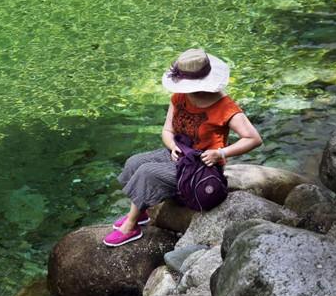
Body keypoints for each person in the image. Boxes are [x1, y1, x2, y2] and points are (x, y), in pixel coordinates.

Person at [103, 49, 262, 247]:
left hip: (201, 166)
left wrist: (220, 153)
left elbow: (253, 138)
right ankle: (141, 211)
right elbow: (167, 131)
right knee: (134, 162)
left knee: (147, 172)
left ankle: (131, 225)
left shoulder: (226, 108)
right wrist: (172, 146)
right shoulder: (179, 97)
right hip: (179, 153)